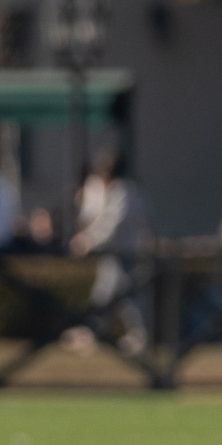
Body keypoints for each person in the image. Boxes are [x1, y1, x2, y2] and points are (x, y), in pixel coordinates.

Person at [70, 146, 154, 356]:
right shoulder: (115, 191)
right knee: (117, 295)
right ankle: (101, 332)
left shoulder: (123, 193)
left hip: (130, 254)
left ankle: (97, 332)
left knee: (120, 296)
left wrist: (87, 241)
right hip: (119, 254)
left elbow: (109, 226)